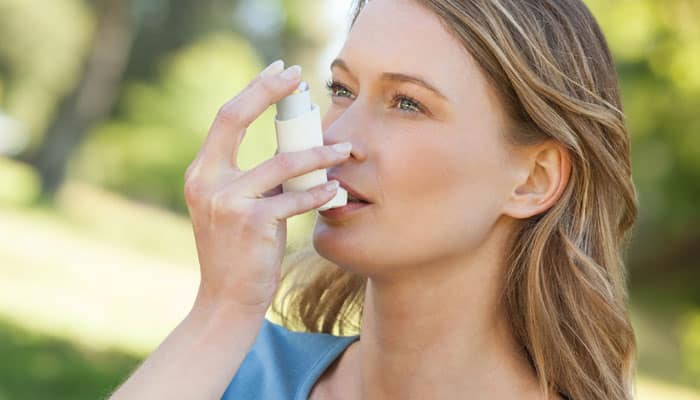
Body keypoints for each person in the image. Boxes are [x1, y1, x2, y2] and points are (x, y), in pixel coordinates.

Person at [108, 0, 639, 399]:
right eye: (341, 89)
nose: (338, 140)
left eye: (407, 103)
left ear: (533, 179)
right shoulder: (225, 370)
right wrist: (221, 311)